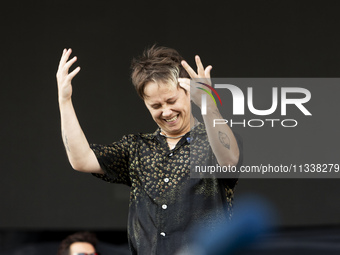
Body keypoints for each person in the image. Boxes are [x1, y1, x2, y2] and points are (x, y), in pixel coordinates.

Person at [56, 45, 242, 254]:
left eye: (172, 101)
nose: (166, 111)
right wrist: (65, 100)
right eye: (156, 105)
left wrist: (208, 103)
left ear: (189, 93)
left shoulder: (213, 141)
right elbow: (81, 160)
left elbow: (229, 160)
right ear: (145, 103)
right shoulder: (137, 148)